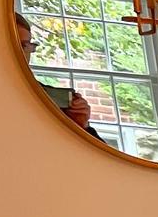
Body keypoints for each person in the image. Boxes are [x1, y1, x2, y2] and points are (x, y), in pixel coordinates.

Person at [13, 11, 104, 141]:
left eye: (25, 45)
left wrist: (80, 126)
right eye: (14, 43)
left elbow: (94, 154)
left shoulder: (43, 95)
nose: (22, 52)